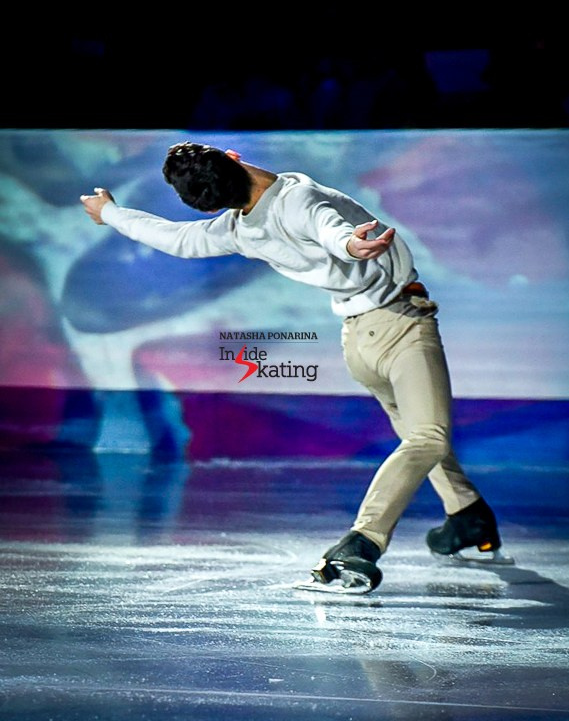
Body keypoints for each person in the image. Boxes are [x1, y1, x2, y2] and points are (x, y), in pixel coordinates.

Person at [80, 141, 513, 594]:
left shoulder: (238, 229)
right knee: (429, 436)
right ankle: (359, 546)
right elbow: (329, 229)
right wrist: (351, 244)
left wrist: (110, 212)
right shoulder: (294, 197)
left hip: (359, 338)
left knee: (415, 434)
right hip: (398, 326)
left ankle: (467, 517)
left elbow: (178, 239)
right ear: (231, 157)